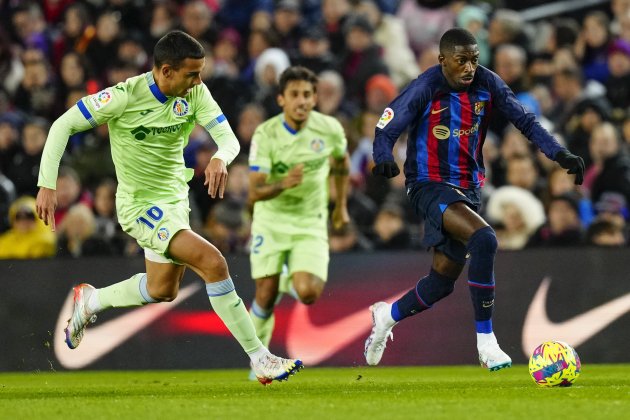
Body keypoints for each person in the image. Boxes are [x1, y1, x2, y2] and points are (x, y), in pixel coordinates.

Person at [36, 30, 302, 385]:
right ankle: (260, 357)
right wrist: (46, 183)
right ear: (165, 71)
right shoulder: (124, 96)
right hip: (139, 205)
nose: (198, 81)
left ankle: (93, 301)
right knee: (213, 263)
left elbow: (228, 139)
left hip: (175, 200)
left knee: (163, 289)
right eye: (191, 74)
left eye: (200, 73)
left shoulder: (195, 93)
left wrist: (221, 158)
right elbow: (62, 125)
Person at [364, 28, 585, 371]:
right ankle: (486, 342)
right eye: (461, 61)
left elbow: (524, 120)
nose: (469, 67)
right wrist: (383, 155)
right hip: (427, 184)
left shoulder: (488, 82)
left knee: (440, 283)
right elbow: (387, 125)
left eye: (474, 59)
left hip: (468, 188)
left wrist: (559, 153)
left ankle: (386, 316)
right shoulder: (426, 86)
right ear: (443, 61)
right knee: (484, 238)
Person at [247, 66, 350, 371]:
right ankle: (260, 362)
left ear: (315, 98)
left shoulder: (329, 128)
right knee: (264, 295)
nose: (302, 101)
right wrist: (282, 184)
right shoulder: (266, 134)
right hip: (272, 219)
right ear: (281, 99)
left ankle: (288, 277)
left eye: (307, 94)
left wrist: (340, 205)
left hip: (310, 221)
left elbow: (342, 163)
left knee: (308, 293)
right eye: (294, 95)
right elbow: (254, 192)